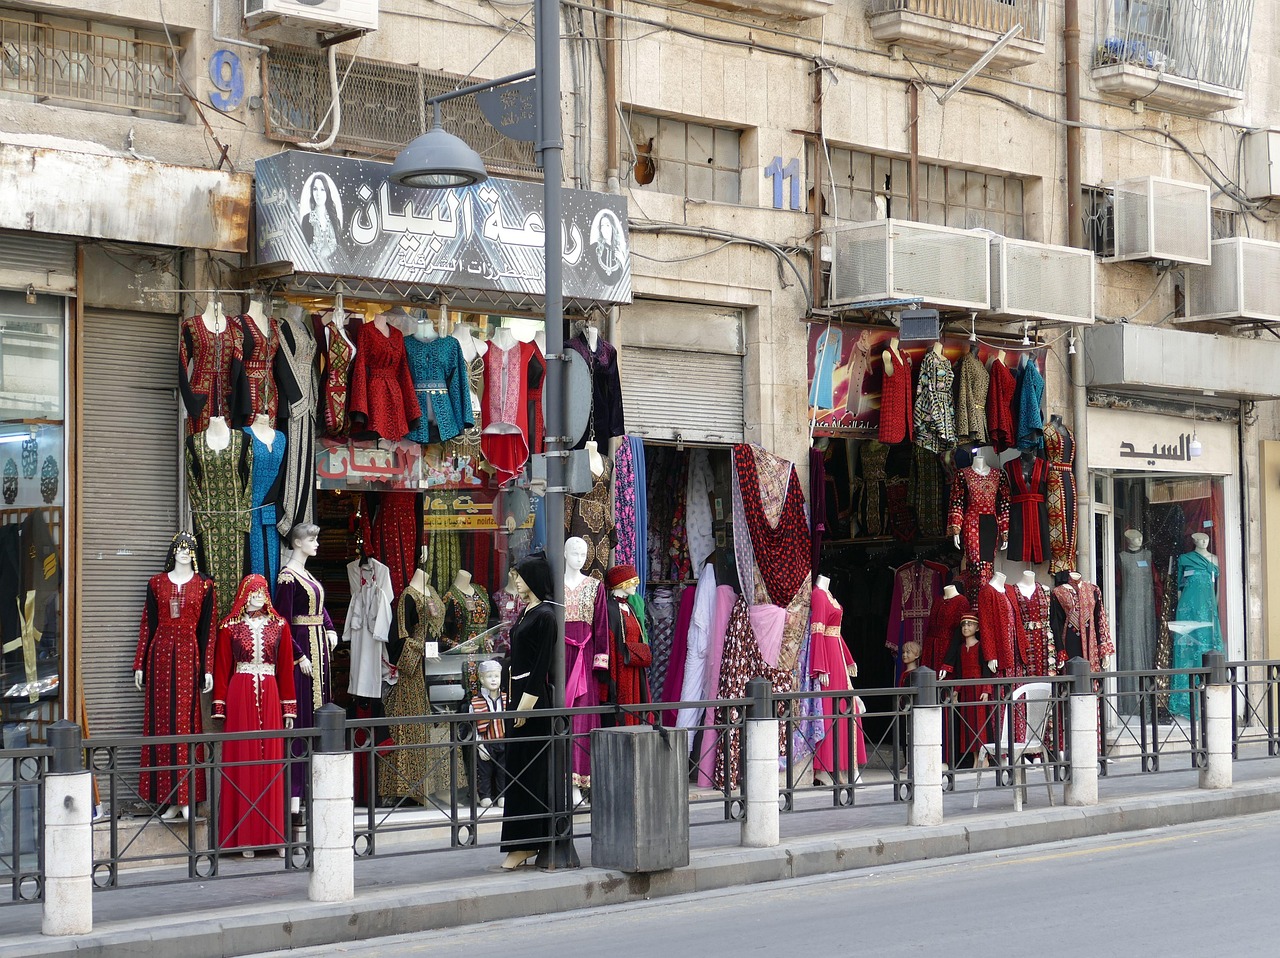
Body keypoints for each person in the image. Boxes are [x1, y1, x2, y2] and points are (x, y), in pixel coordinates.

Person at [210, 574, 296, 857]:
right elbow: (222, 666)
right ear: (244, 595)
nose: (259, 597)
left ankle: (273, 835)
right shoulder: (229, 627)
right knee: (243, 761)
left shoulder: (280, 626)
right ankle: (244, 837)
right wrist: (220, 705)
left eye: (263, 593)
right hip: (240, 693)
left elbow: (286, 668)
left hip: (270, 692)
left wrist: (288, 707)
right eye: (254, 593)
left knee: (271, 763)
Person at [499, 553, 557, 870]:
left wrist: (526, 704)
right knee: (516, 771)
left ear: (533, 578)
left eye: (520, 577)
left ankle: (529, 842)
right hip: (517, 697)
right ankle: (519, 842)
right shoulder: (527, 612)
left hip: (531, 701)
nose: (517, 582)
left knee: (529, 772)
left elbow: (541, 665)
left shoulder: (545, 616)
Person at [469, 660, 507, 808]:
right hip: (486, 742)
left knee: (503, 770)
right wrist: (479, 745)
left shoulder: (506, 699)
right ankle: (485, 795)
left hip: (503, 740)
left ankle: (502, 794)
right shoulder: (475, 702)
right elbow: (473, 727)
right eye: (489, 676)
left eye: (496, 676)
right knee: (485, 771)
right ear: (481, 678)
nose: (493, 680)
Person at [300, 173, 341, 269]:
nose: (318, 194)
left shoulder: (335, 221)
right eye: (315, 189)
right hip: (311, 268)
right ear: (312, 192)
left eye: (322, 189)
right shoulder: (306, 220)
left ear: (327, 192)